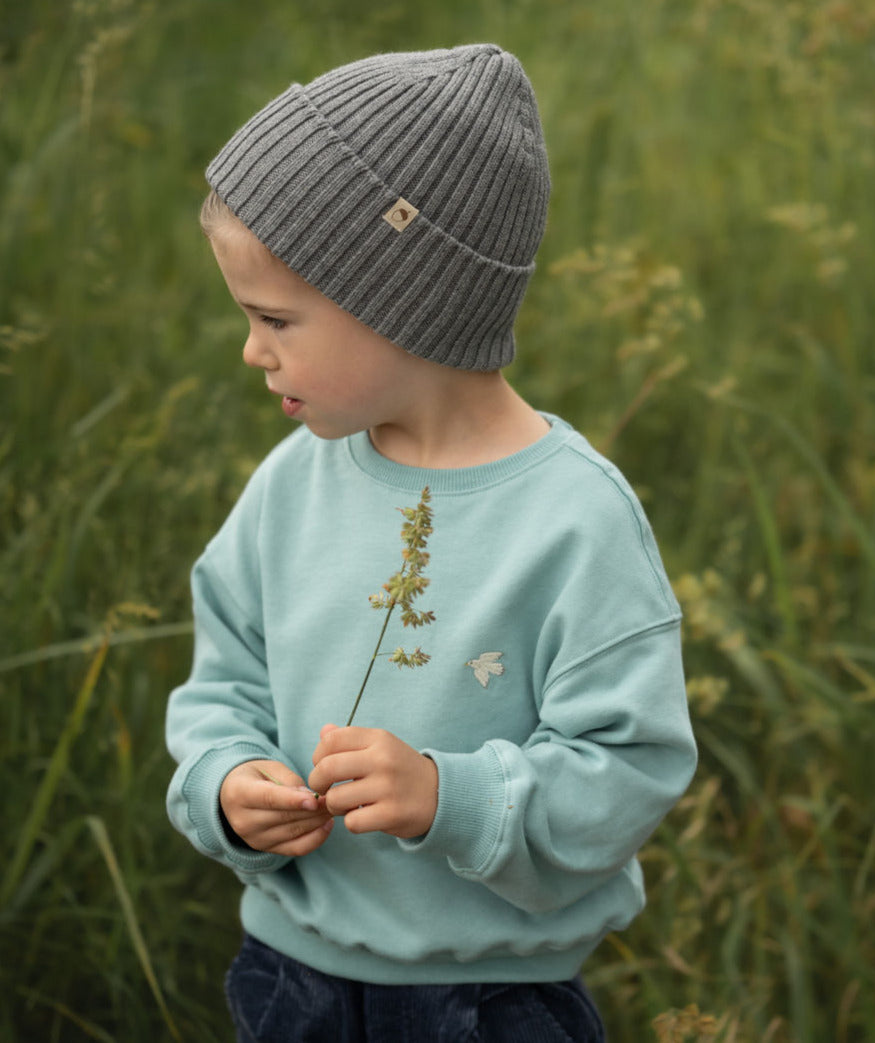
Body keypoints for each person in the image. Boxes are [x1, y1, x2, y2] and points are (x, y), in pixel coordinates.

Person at [165, 43, 697, 1043]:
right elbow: (223, 681)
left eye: (275, 317)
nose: (251, 348)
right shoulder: (292, 483)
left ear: (402, 306)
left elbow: (627, 768)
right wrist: (226, 785)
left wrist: (450, 796)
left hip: (488, 1001)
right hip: (291, 976)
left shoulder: (572, 519)